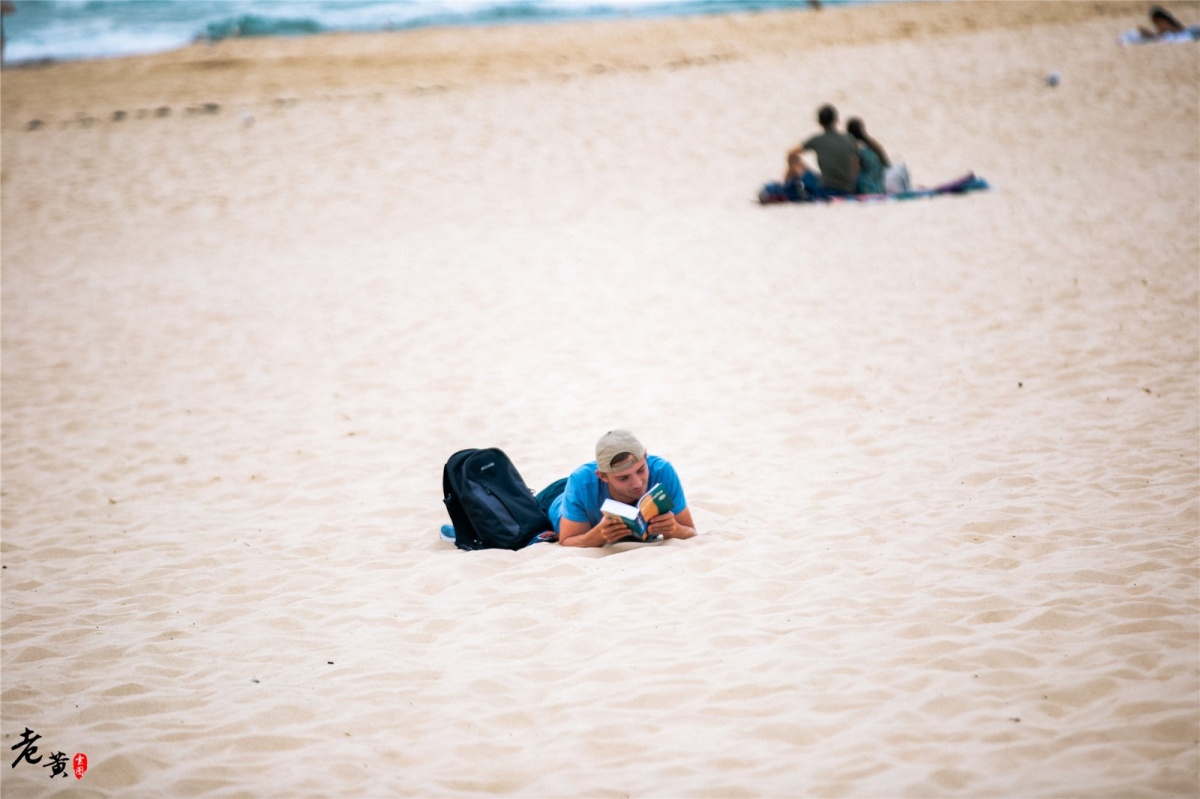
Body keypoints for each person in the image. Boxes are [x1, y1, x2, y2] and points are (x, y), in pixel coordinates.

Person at [537, 429, 697, 548]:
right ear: (603, 476)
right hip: (556, 496)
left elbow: (690, 532)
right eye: (623, 478)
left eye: (641, 470)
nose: (637, 483)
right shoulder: (580, 482)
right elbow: (567, 541)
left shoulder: (662, 471)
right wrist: (599, 535)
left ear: (646, 457)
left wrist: (674, 529)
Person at [786, 104, 860, 198]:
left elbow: (791, 153)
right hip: (849, 188)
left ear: (819, 121)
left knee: (795, 161)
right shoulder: (849, 139)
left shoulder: (818, 140)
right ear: (836, 119)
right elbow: (856, 166)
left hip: (826, 188)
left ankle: (785, 186)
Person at [846, 117, 890, 195]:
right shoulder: (872, 144)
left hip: (866, 185)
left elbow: (855, 170)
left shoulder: (856, 147)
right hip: (880, 183)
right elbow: (886, 163)